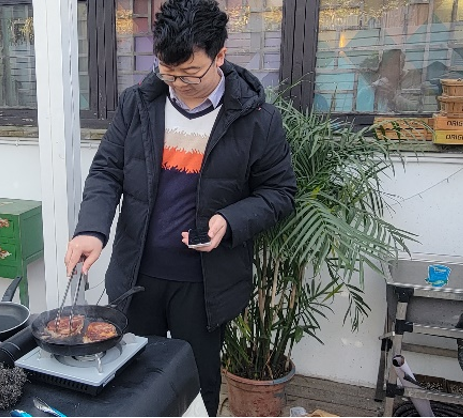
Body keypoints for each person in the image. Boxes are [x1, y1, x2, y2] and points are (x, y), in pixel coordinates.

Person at [64, 0, 296, 414]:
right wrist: (91, 230)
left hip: (205, 286)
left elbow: (279, 192)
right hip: (137, 277)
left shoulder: (257, 118)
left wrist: (230, 220)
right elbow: (106, 171)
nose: (177, 84)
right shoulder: (137, 104)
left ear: (220, 56)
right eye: (167, 73)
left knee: (196, 387)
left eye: (190, 74)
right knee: (132, 382)